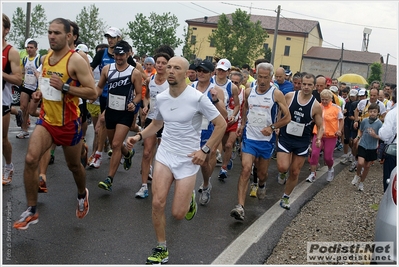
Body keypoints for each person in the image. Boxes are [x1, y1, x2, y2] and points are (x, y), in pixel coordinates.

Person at [126, 56, 226, 264]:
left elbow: (221, 124)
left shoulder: (197, 98)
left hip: (188, 159)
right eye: (169, 67)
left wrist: (205, 150)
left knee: (178, 214)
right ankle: (161, 247)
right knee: (157, 202)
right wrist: (139, 136)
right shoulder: (161, 98)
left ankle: (189, 199)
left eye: (176, 68)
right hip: (165, 155)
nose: (170, 71)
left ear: (186, 73)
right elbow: (156, 124)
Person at [13, 18, 97, 229]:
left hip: (69, 124)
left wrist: (66, 88)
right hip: (47, 121)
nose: (51, 36)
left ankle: (81, 194)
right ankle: (32, 210)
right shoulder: (46, 57)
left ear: (69, 36)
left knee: (74, 166)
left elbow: (93, 92)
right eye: (49, 32)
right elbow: (47, 84)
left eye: (57, 33)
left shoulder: (76, 60)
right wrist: (40, 93)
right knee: (31, 158)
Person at [230, 62, 291, 221]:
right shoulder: (249, 92)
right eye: (259, 77)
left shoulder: (276, 94)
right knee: (245, 169)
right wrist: (242, 124)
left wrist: (272, 127)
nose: (262, 81)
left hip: (266, 141)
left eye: (265, 77)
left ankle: (262, 185)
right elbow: (245, 109)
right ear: (256, 76)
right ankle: (240, 207)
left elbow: (287, 117)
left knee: (262, 174)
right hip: (250, 137)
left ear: (270, 78)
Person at [96, 40, 142, 192]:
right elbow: (100, 87)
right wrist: (90, 96)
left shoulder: (134, 72)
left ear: (128, 54)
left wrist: (134, 104)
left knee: (116, 144)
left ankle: (109, 179)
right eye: (116, 54)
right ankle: (128, 154)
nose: (118, 57)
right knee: (114, 143)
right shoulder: (107, 69)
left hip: (125, 114)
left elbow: (139, 94)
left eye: (121, 54)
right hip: (110, 111)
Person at [277, 73, 323, 209]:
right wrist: (278, 125)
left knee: (295, 172)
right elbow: (281, 111)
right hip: (286, 137)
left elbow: (321, 126)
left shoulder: (316, 106)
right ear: (300, 84)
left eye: (309, 85)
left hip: (302, 141)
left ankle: (286, 197)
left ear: (314, 87)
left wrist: (319, 138)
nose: (306, 87)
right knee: (282, 167)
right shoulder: (290, 96)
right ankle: (282, 173)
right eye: (304, 84)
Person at [135, 51, 172, 199]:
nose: (161, 65)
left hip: (167, 122)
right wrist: (146, 105)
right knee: (146, 153)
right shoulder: (150, 79)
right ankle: (144, 186)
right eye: (159, 63)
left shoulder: (171, 81)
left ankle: (159, 183)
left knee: (162, 155)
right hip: (152, 119)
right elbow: (147, 96)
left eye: (164, 63)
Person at [192, 60, 227, 205]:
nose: (201, 73)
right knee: (188, 162)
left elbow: (224, 115)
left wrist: (216, 100)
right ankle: (187, 192)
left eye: (204, 71)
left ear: (211, 73)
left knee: (204, 164)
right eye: (199, 70)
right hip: (191, 130)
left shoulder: (216, 90)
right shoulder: (190, 87)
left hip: (207, 130)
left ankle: (206, 184)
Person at [89, 27, 123, 169]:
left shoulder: (123, 55)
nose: (110, 40)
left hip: (119, 97)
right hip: (104, 96)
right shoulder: (102, 53)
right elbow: (89, 68)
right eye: (108, 37)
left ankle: (102, 153)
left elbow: (136, 69)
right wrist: (91, 88)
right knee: (107, 126)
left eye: (113, 37)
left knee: (105, 123)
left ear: (118, 39)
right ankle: (117, 151)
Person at [2, 13, 23, 185]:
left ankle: (8, 166)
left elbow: (18, 79)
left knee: (3, 140)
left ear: (6, 30)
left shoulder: (12, 52)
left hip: (2, 101)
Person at [306, 89, 343, 183]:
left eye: (326, 99)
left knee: (327, 157)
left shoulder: (336, 108)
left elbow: (341, 119)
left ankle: (330, 169)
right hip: (318, 134)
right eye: (322, 99)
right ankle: (312, 173)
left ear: (331, 98)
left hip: (331, 136)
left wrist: (339, 130)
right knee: (314, 153)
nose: (324, 101)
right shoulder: (318, 106)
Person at [350, 103, 383, 191]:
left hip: (372, 147)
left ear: (378, 113)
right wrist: (357, 137)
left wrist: (375, 135)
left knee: (367, 166)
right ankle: (357, 175)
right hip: (363, 144)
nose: (372, 113)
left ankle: (361, 182)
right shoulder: (364, 121)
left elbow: (382, 136)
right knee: (360, 162)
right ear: (368, 112)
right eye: (371, 111)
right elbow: (360, 130)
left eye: (374, 112)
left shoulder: (379, 124)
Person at [16, 39, 42, 139]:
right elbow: (22, 70)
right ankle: (24, 130)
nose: (29, 49)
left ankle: (46, 117)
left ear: (36, 49)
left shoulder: (39, 58)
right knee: (23, 107)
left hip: (36, 88)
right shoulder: (25, 59)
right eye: (28, 47)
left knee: (31, 111)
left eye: (31, 48)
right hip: (26, 85)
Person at [377, 88, 397, 192]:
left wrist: (380, 130)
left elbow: (384, 135)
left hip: (394, 151)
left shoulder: (393, 113)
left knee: (391, 182)